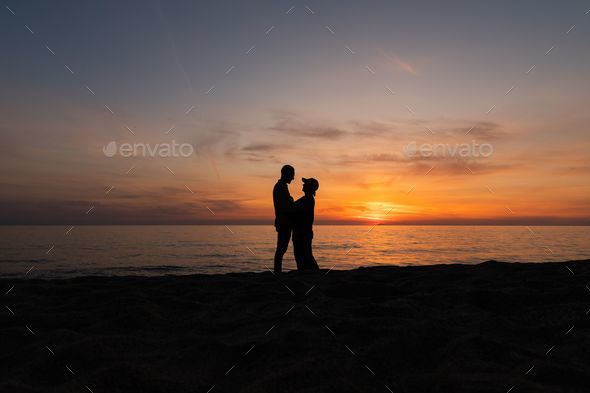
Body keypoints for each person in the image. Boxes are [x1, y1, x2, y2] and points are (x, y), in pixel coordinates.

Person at [293, 177, 320, 271]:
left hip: (303, 232)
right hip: (302, 232)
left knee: (304, 255)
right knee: (304, 255)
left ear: (309, 187)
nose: (303, 184)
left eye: (305, 183)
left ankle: (312, 272)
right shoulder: (306, 199)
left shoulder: (307, 199)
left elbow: (293, 208)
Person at [273, 165, 295, 274]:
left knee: (282, 248)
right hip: (284, 222)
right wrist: (291, 202)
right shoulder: (280, 187)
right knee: (281, 248)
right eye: (292, 175)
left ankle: (278, 271)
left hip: (284, 222)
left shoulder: (282, 186)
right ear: (285, 174)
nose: (293, 178)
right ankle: (277, 271)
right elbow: (284, 207)